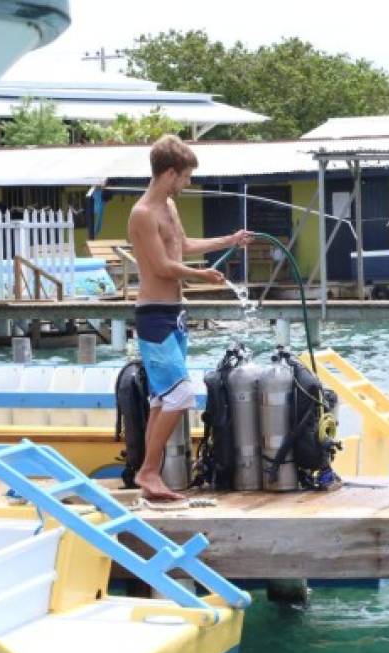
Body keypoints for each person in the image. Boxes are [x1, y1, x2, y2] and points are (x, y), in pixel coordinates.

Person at [128, 135, 253, 500]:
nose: (187, 184)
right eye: (185, 177)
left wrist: (229, 240)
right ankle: (150, 471)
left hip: (175, 314)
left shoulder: (168, 207)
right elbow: (162, 267)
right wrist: (202, 276)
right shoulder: (142, 214)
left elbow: (182, 247)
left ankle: (146, 474)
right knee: (181, 394)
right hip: (153, 315)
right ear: (169, 173)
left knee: (160, 399)